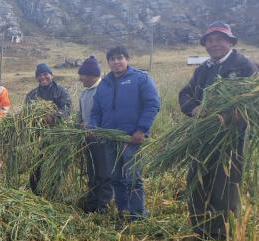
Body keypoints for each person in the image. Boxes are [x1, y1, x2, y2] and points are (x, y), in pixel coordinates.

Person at [178, 21, 259, 240]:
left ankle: (223, 234)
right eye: (210, 41)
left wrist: (230, 116)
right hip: (203, 135)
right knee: (196, 179)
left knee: (224, 183)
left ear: (230, 42)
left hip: (232, 137)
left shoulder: (244, 65)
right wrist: (194, 109)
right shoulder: (203, 69)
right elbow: (185, 94)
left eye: (220, 40)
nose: (214, 44)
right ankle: (201, 230)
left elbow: (256, 100)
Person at [88, 46, 160, 221]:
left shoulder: (140, 78)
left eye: (119, 58)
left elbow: (152, 104)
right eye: (112, 59)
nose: (116, 62)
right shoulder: (104, 84)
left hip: (131, 138)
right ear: (108, 62)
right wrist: (92, 127)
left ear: (127, 59)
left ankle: (137, 215)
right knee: (115, 178)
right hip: (109, 139)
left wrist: (141, 130)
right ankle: (123, 211)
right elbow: (96, 111)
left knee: (133, 178)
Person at [25, 63, 72, 194]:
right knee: (36, 164)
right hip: (37, 136)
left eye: (45, 74)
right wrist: (34, 119)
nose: (43, 77)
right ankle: (35, 192)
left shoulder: (61, 91)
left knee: (54, 163)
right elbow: (25, 113)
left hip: (56, 135)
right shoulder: (32, 94)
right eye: (39, 75)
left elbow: (67, 108)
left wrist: (54, 117)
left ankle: (52, 192)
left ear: (51, 75)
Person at [75, 56, 112, 214]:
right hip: (88, 139)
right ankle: (91, 204)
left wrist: (94, 128)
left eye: (82, 75)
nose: (80, 79)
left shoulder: (104, 90)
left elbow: (109, 115)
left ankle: (103, 206)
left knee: (104, 173)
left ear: (91, 75)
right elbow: (80, 114)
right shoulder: (84, 93)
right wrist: (78, 126)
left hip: (102, 140)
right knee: (92, 173)